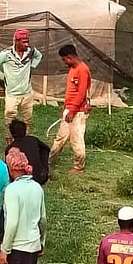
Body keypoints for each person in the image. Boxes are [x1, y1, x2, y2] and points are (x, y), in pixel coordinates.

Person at [48, 44, 91, 174]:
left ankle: (79, 166)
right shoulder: (72, 68)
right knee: (61, 137)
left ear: (70, 57)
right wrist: (65, 108)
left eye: (64, 59)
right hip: (70, 109)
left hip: (77, 112)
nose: (64, 62)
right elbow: (71, 92)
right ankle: (49, 159)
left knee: (76, 139)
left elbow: (82, 93)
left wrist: (72, 110)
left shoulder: (82, 70)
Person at [0, 28, 43, 128]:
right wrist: (3, 77)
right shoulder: (6, 54)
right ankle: (10, 141)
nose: (27, 44)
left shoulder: (31, 51)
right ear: (16, 41)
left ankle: (25, 139)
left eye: (28, 41)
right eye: (24, 42)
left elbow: (39, 56)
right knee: (10, 119)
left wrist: (32, 66)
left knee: (28, 119)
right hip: (12, 94)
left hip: (27, 93)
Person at [5, 118, 50, 186]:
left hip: (21, 182)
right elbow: (46, 149)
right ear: (25, 130)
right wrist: (44, 167)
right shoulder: (33, 140)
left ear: (12, 133)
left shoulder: (10, 148)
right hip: (41, 178)